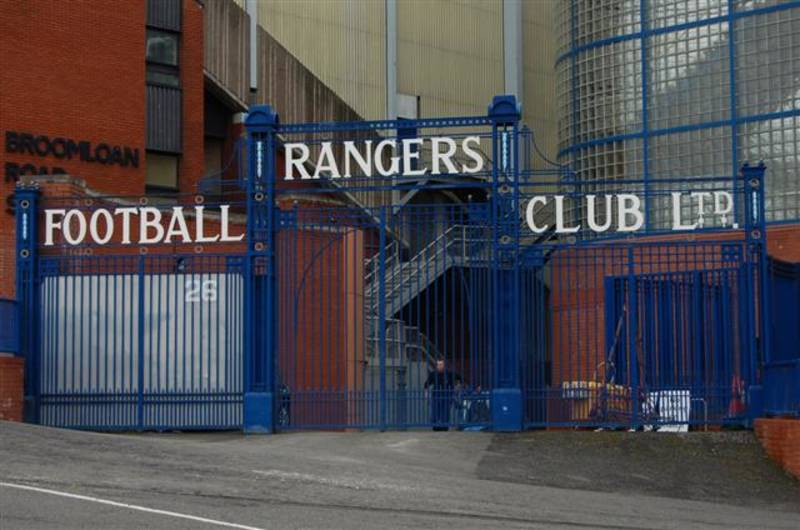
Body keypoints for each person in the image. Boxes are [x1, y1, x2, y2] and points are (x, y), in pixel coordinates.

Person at [424, 358, 461, 431]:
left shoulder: (449, 374)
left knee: (445, 414)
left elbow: (460, 379)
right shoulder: (433, 374)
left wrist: (457, 388)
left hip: (447, 396)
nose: (439, 366)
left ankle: (444, 428)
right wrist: (426, 394)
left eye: (441, 364)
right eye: (438, 364)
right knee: (434, 415)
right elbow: (426, 385)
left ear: (444, 365)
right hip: (435, 396)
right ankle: (436, 428)